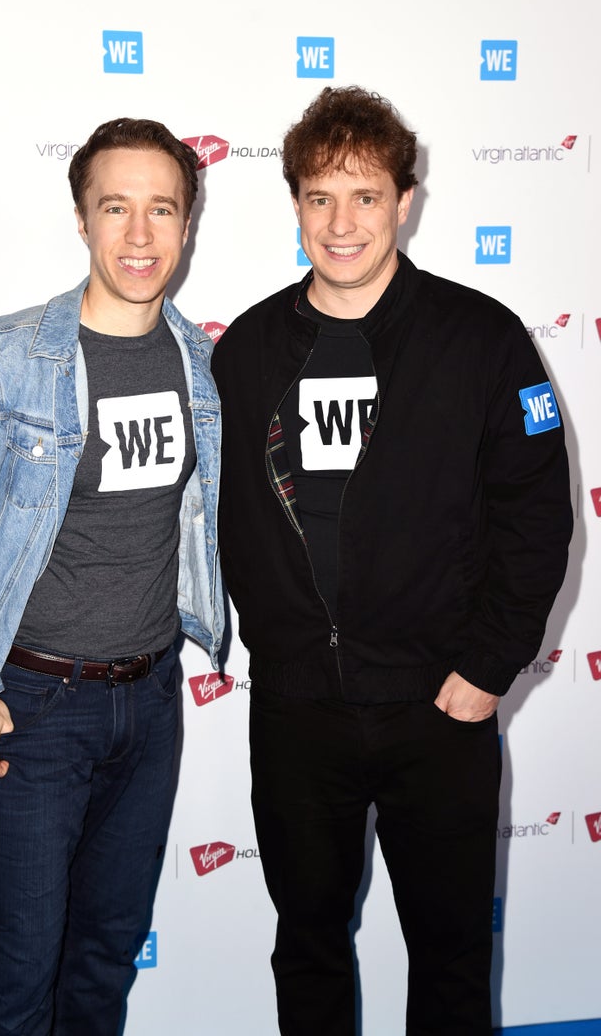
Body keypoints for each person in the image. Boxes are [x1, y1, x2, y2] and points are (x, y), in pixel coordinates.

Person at [210, 86, 572, 1036]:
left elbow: (537, 517)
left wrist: (487, 669)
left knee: (451, 957)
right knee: (309, 944)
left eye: (366, 196)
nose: (343, 223)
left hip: (438, 708)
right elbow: (219, 517)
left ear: (405, 201)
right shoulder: (244, 351)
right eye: (321, 197)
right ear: (294, 204)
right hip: (298, 712)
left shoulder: (481, 338)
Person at [0, 117, 223, 1036]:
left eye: (161, 209)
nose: (138, 234)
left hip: (151, 702)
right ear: (81, 219)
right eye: (114, 207)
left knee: (103, 962)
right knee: (16, 982)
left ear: (188, 224)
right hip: (30, 712)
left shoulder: (203, 363)